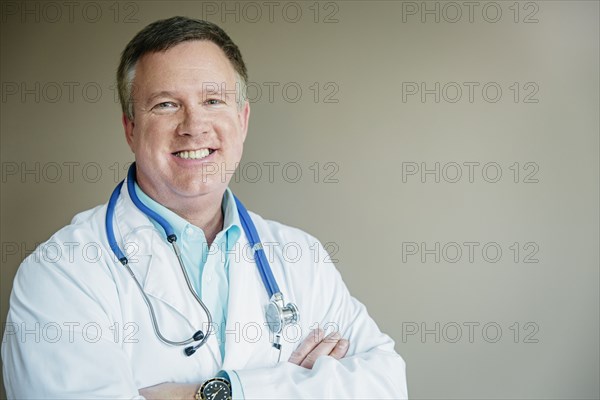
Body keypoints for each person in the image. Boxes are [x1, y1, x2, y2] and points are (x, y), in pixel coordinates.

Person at [1, 16, 407, 399]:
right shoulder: (61, 271)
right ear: (130, 128)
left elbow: (386, 384)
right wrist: (299, 384)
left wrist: (217, 393)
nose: (193, 126)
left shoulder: (302, 257)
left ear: (243, 120)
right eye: (165, 104)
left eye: (213, 100)